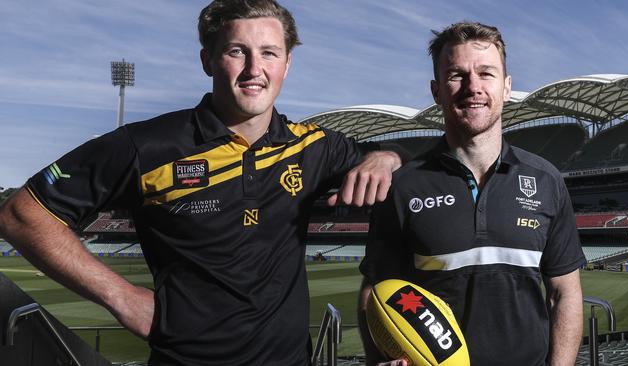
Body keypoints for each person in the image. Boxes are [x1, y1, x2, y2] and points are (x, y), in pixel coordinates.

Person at [0, 1, 401, 365]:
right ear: (207, 60)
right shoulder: (146, 145)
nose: (253, 69)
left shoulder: (315, 146)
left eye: (268, 53)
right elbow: (22, 214)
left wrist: (386, 156)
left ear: (287, 63)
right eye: (236, 51)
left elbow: (390, 157)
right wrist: (120, 297)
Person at [358, 22, 585, 366]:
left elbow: (564, 292)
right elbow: (374, 294)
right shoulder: (404, 187)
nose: (473, 87)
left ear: (507, 87)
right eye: (456, 75)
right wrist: (380, 360)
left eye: (486, 73)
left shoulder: (546, 179)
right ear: (436, 91)